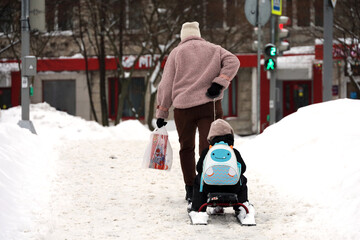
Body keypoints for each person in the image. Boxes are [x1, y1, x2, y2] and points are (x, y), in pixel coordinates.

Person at [155, 22, 240, 203]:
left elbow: (166, 84)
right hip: (210, 105)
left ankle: (190, 188)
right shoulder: (214, 49)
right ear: (199, 33)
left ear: (182, 36)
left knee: (186, 148)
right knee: (209, 146)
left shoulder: (176, 53)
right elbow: (234, 61)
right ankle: (209, 183)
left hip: (183, 109)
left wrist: (162, 112)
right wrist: (219, 83)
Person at [189, 119, 255, 225]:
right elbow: (243, 168)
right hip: (232, 187)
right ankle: (241, 205)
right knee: (242, 179)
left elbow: (199, 168)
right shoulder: (234, 152)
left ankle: (198, 208)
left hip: (209, 187)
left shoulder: (207, 151)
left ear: (211, 137)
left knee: (198, 179)